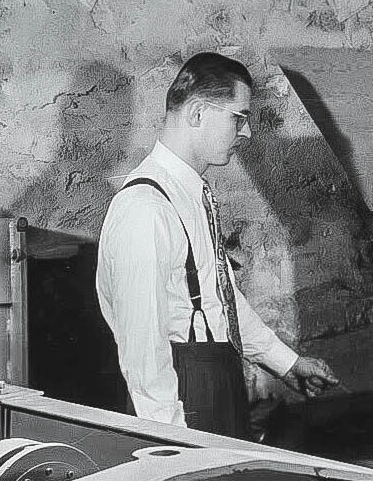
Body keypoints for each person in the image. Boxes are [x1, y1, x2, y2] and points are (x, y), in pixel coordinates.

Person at [96, 52, 337, 437]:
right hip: (182, 393)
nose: (247, 132)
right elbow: (143, 349)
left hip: (217, 380)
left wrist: (285, 363)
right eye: (238, 118)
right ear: (197, 113)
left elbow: (219, 299)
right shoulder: (145, 208)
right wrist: (172, 444)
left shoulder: (190, 193)